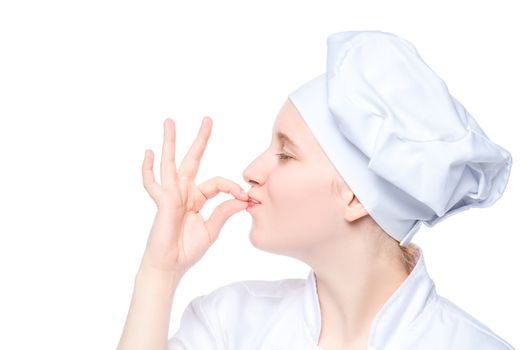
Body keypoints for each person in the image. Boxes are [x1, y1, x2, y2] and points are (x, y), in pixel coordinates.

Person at [117, 31, 515, 350]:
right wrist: (159, 272)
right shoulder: (231, 323)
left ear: (356, 196)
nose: (252, 171)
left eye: (285, 154)